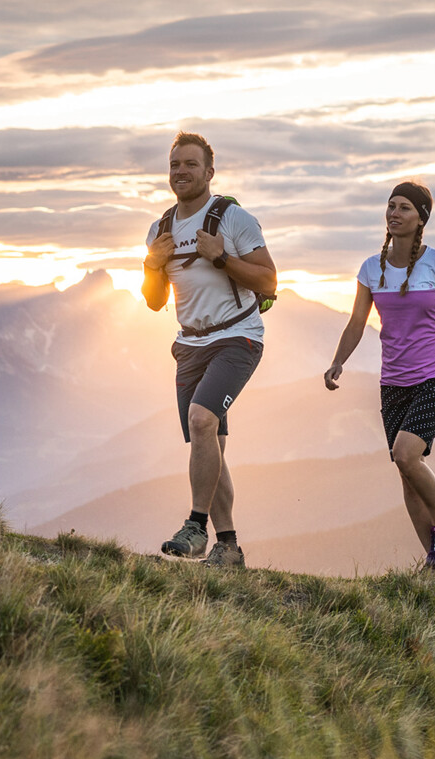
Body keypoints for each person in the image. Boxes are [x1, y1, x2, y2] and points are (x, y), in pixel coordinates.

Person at [142, 131, 277, 568]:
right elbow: (155, 300)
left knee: (202, 420)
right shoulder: (160, 228)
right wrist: (151, 264)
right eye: (174, 164)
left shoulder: (234, 219)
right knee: (210, 442)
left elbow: (268, 281)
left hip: (238, 337)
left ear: (210, 172)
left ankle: (196, 528)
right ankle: (230, 547)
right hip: (189, 345)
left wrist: (222, 258)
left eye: (190, 164)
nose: (181, 171)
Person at [323, 180, 435, 571]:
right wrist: (338, 361)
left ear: (421, 217)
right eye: (391, 205)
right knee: (406, 472)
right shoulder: (371, 269)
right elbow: (358, 321)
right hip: (393, 382)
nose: (394, 213)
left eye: (404, 207)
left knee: (407, 454)